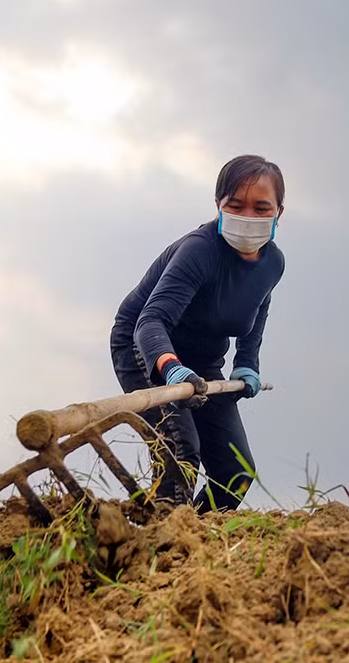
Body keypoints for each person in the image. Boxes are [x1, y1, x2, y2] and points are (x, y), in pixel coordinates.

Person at [109, 154, 285, 513]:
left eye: (261, 208)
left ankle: (198, 541)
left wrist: (247, 363)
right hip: (143, 348)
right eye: (235, 205)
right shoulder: (200, 251)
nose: (248, 217)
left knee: (236, 471)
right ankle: (163, 542)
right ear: (219, 205)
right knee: (182, 451)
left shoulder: (273, 263)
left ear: (279, 212)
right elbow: (150, 321)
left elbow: (258, 311)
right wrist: (171, 368)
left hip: (203, 361)